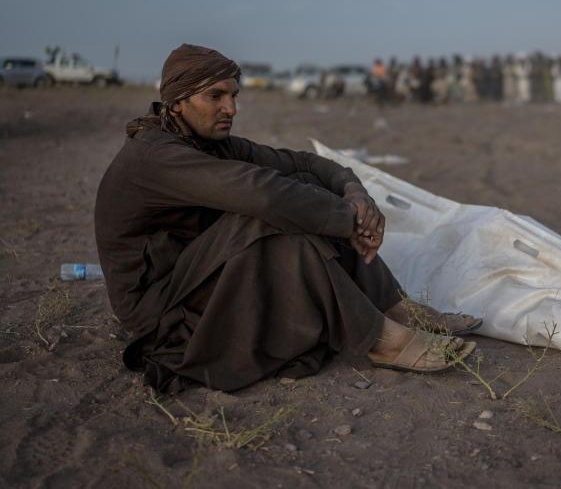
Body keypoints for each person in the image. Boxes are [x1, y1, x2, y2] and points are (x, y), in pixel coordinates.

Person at [94, 44, 479, 393]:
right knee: (273, 214)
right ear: (177, 102)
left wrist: (355, 193)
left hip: (197, 273)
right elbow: (263, 194)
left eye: (233, 95)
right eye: (215, 96)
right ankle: (379, 339)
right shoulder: (156, 156)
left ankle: (394, 307)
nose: (230, 108)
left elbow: (302, 162)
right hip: (161, 309)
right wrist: (350, 221)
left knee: (304, 184)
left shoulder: (209, 142)